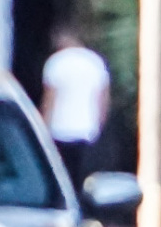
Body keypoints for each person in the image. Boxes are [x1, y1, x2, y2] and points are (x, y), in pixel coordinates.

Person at [39, 25, 109, 190]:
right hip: (87, 131)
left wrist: (42, 128)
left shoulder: (55, 63)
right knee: (83, 182)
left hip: (59, 132)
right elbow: (103, 100)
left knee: (61, 181)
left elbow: (49, 100)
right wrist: (99, 125)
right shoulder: (95, 62)